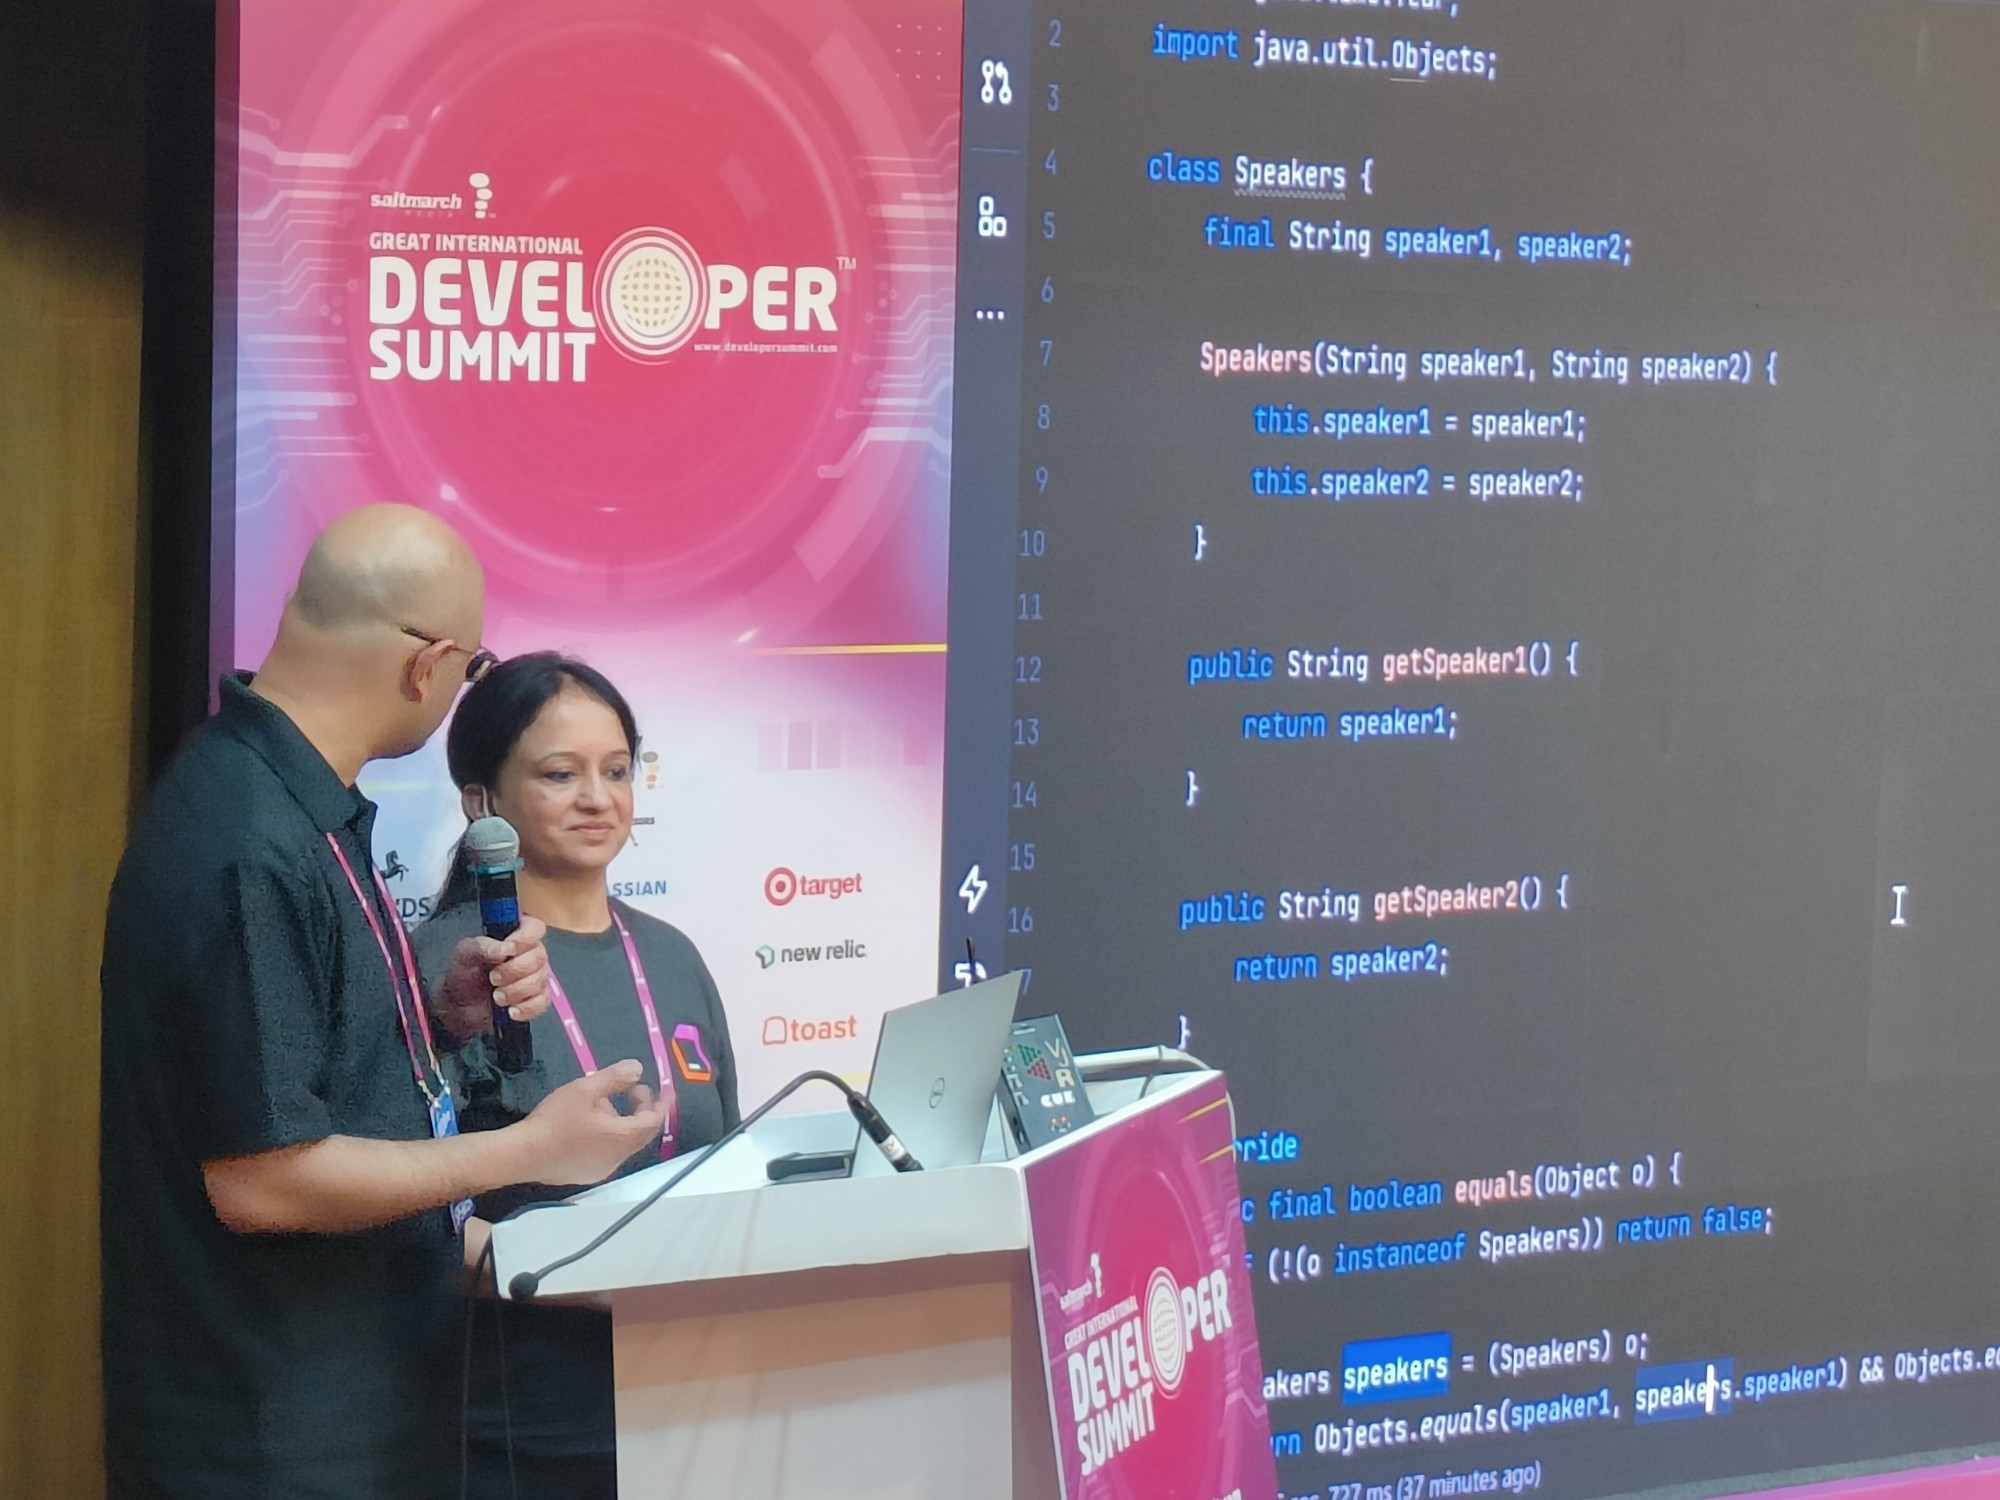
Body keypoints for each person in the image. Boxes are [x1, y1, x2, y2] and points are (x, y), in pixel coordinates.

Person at [100, 506, 669, 1500]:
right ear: (428, 666)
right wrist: (531, 1150)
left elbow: (296, 1063)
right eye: (470, 668)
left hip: (351, 1409)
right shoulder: (251, 840)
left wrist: (436, 1019)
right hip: (280, 1438)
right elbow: (265, 1180)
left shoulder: (292, 798)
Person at [412, 653, 740, 1500]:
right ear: (482, 804)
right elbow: (402, 1223)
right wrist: (584, 1276)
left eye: (617, 770)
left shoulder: (673, 955)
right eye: (561, 774)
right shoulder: (448, 971)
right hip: (512, 1436)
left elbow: (728, 1165)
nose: (598, 798)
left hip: (690, 1413)